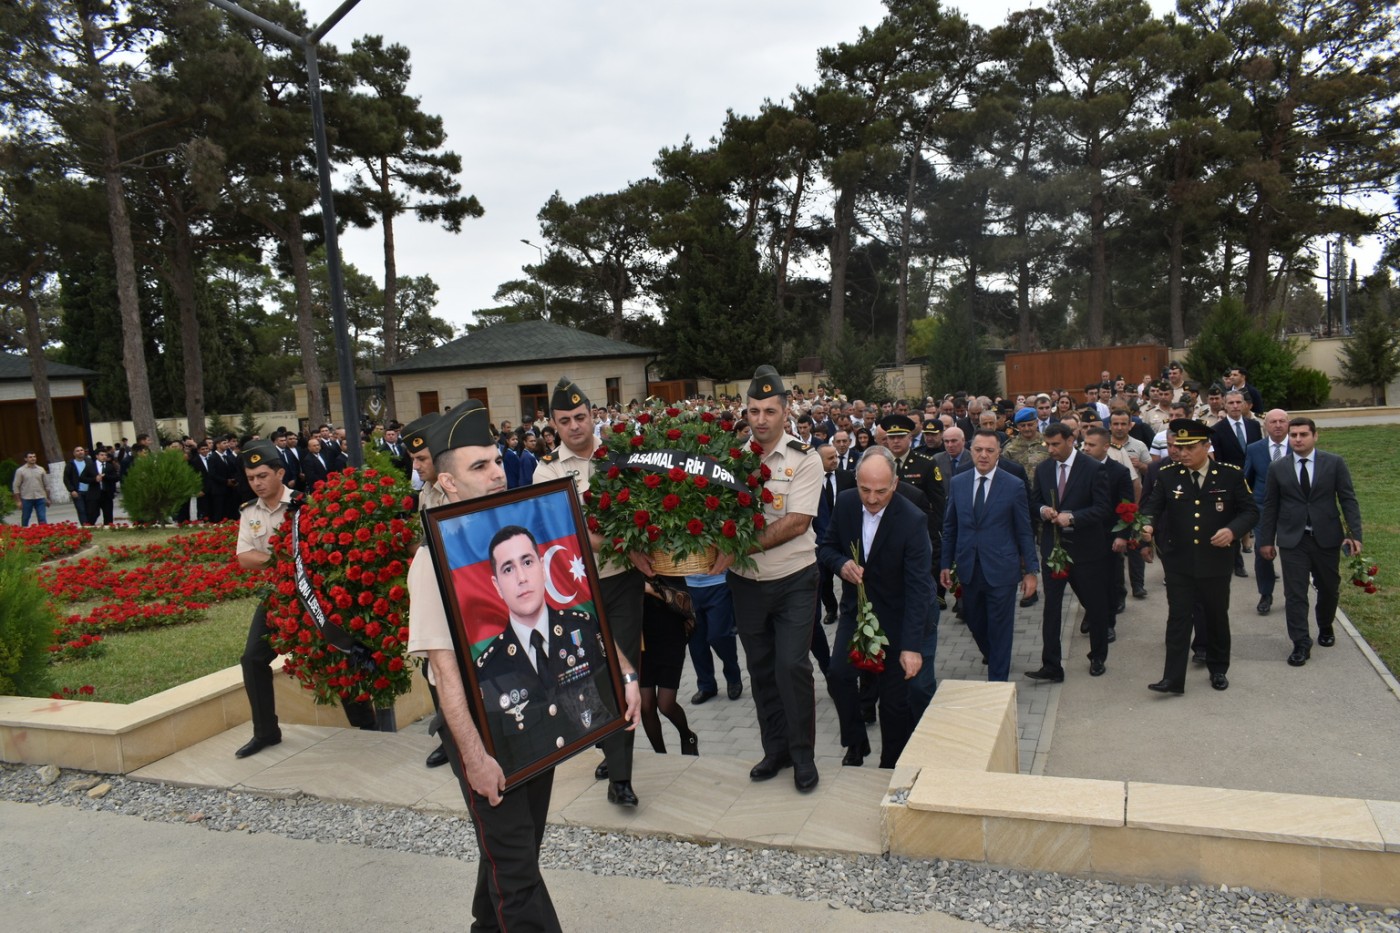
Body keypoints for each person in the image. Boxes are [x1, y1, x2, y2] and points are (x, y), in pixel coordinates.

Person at [406, 402, 639, 933]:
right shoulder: (432, 558)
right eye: (480, 467)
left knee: (517, 851)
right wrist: (474, 757)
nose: (497, 473)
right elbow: (445, 675)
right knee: (518, 877)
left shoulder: (525, 524)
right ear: (447, 482)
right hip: (484, 734)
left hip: (538, 720)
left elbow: (582, 605)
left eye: (495, 460)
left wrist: (623, 670)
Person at [534, 376, 649, 807]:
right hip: (575, 590)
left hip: (620, 581)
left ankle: (621, 778)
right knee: (587, 676)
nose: (575, 427)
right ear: (553, 424)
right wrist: (621, 542)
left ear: (593, 416)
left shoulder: (618, 457)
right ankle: (609, 743)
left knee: (623, 673)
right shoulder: (546, 469)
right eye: (564, 421)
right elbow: (562, 528)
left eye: (580, 417)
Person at [712, 365, 822, 793]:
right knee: (759, 669)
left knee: (791, 666)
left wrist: (737, 548)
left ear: (785, 410)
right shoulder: (732, 460)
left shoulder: (804, 458)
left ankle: (803, 756)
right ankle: (774, 751)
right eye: (754, 411)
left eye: (769, 410)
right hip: (746, 583)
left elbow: (796, 523)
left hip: (795, 578)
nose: (760, 419)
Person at [232, 441, 376, 759]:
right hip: (276, 597)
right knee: (253, 659)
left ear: (280, 473)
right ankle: (266, 732)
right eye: (251, 476)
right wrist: (280, 561)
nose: (257, 482)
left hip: (312, 596)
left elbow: (322, 550)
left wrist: (274, 558)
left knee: (339, 655)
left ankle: (369, 727)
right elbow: (244, 556)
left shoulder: (303, 504)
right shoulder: (249, 512)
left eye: (263, 475)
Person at [819, 447, 932, 768]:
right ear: (856, 481)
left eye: (880, 491)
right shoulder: (846, 503)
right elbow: (826, 547)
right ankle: (855, 742)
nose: (871, 498)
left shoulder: (912, 520)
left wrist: (911, 647)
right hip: (856, 613)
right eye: (865, 489)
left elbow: (919, 588)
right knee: (838, 675)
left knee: (894, 704)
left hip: (896, 619)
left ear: (895, 484)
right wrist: (841, 565)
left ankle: (890, 764)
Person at [1139, 420, 1258, 694]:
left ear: (1207, 446)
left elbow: (1251, 511)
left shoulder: (1229, 475)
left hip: (1215, 561)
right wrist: (1146, 525)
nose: (1183, 453)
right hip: (1179, 560)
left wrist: (1232, 530)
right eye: (1179, 447)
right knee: (1178, 618)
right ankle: (1172, 678)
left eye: (1190, 447)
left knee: (1216, 616)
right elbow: (1152, 507)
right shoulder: (1169, 475)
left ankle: (1218, 669)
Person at [1257, 417, 1363, 668]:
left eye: (1303, 434)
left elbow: (1348, 499)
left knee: (1328, 587)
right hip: (1293, 539)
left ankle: (1326, 625)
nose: (1297, 439)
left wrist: (1355, 534)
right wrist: (1266, 540)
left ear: (1315, 436)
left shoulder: (1334, 463)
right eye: (1293, 435)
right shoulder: (1278, 467)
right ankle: (1301, 643)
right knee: (1295, 593)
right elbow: (1270, 505)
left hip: (1326, 537)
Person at [940, 430, 1039, 682]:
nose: (983, 455)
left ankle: (998, 682)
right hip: (968, 567)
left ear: (998, 453)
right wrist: (944, 563)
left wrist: (1030, 571)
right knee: (974, 621)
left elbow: (1024, 530)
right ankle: (994, 655)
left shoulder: (1013, 485)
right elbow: (950, 526)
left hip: (1002, 569)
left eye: (990, 451)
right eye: (978, 450)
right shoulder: (958, 482)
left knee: (1001, 628)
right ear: (971, 451)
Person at [1025, 424, 1112, 682]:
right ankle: (1051, 665)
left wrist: (1072, 518)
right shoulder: (1043, 469)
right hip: (1055, 549)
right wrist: (1044, 511)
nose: (1050, 450)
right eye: (1047, 445)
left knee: (1094, 605)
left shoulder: (1093, 468)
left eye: (1055, 444)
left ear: (1071, 440)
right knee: (1051, 608)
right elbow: (1034, 501)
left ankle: (1097, 655)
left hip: (1086, 551)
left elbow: (1103, 509)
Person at [638, 578, 700, 756]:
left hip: (671, 638)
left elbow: (685, 603)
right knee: (646, 705)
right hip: (641, 641)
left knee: (665, 704)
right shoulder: (627, 566)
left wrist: (650, 589)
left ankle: (687, 735)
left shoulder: (667, 562)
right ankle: (660, 754)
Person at [1243, 409, 1291, 615]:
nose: (1278, 425)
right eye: (1273, 422)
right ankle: (1266, 593)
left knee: (1292, 553)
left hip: (1292, 508)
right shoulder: (1255, 449)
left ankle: (1293, 594)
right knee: (1263, 552)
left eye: (1282, 421)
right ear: (1266, 426)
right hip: (1263, 507)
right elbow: (1247, 477)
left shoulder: (1298, 445)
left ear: (1288, 424)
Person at [11, 452, 50, 526]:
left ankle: (44, 535)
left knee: (42, 518)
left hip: (40, 497)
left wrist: (48, 498)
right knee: (25, 518)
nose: (33, 458)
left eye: (34, 456)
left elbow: (47, 485)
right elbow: (16, 486)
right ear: (25, 459)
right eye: (30, 457)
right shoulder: (20, 471)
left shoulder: (41, 469)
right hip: (26, 498)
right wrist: (18, 501)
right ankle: (24, 534)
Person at [62, 445, 96, 526]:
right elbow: (66, 478)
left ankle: (91, 524)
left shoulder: (89, 462)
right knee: (81, 510)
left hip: (89, 490)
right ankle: (85, 526)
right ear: (74, 453)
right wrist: (72, 490)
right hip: (78, 491)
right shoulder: (71, 464)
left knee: (91, 510)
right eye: (77, 451)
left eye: (81, 450)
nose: (80, 452)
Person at [90, 449, 118, 525]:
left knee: (108, 512)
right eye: (102, 455)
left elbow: (116, 477)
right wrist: (94, 479)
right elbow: (83, 478)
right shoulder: (91, 466)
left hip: (107, 493)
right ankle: (90, 526)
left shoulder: (110, 466)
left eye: (105, 455)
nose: (104, 457)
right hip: (95, 493)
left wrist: (106, 476)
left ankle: (108, 526)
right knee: (94, 513)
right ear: (97, 456)